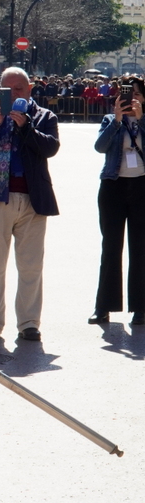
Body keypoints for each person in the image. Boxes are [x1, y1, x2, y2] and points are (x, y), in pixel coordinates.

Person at [0, 67, 60, 342]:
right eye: (7, 90)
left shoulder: (44, 116)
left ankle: (29, 323)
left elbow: (50, 148)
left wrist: (25, 126)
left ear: (29, 89)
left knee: (31, 266)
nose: (14, 94)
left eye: (18, 89)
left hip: (33, 200)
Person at [91, 76, 145, 325]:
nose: (131, 99)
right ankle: (104, 307)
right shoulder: (110, 120)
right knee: (110, 247)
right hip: (113, 186)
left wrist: (141, 119)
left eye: (136, 94)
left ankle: (140, 307)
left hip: (141, 186)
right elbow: (100, 147)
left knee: (140, 248)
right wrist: (117, 120)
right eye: (126, 94)